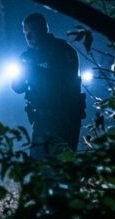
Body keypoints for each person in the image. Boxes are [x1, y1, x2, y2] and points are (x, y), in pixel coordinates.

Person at [11, 12, 86, 158]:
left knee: (64, 166)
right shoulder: (27, 56)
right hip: (41, 118)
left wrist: (35, 71)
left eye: (32, 32)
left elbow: (64, 82)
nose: (28, 38)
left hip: (66, 117)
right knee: (39, 168)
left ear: (44, 29)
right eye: (25, 33)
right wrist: (23, 71)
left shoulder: (63, 50)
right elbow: (17, 87)